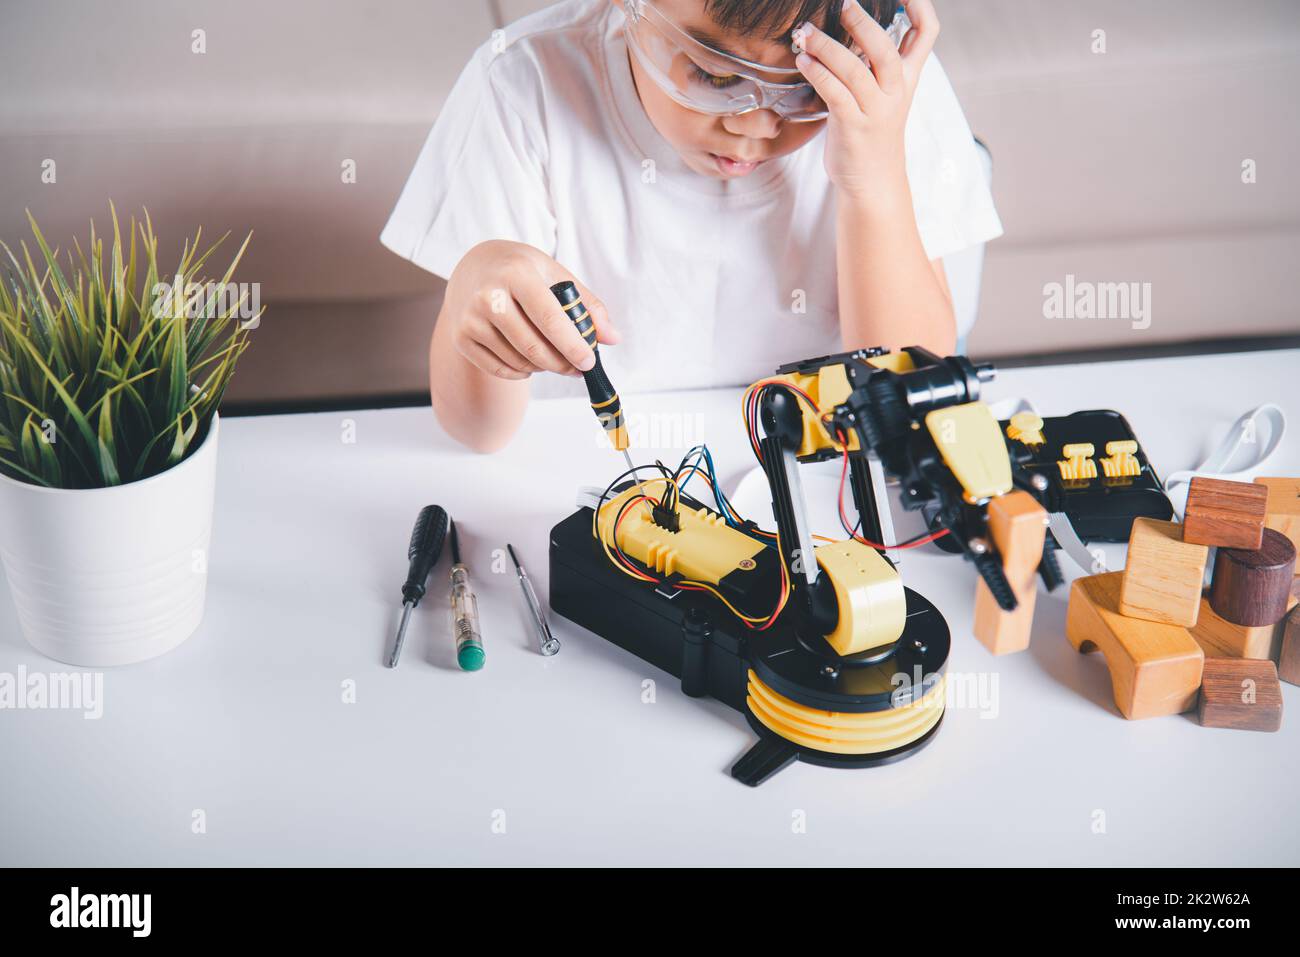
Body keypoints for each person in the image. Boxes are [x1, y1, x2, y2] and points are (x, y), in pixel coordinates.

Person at [381, 0, 1001, 451]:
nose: (754, 127)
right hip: (574, 467)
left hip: (809, 479)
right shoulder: (525, 82)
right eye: (717, 76)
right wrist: (477, 281)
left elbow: (914, 411)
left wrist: (873, 178)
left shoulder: (884, 94)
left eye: (807, 90)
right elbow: (478, 435)